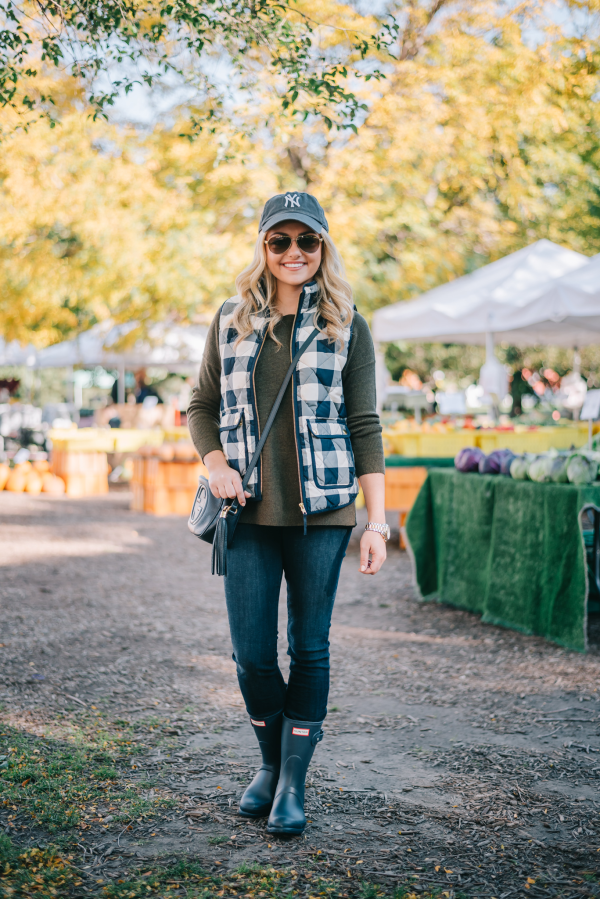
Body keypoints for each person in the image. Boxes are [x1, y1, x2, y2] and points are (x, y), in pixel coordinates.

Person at [187, 192, 388, 835]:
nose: (294, 253)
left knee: (309, 644)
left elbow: (365, 425)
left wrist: (376, 522)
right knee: (251, 655)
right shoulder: (230, 319)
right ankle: (270, 765)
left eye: (307, 241)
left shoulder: (347, 325)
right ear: (263, 248)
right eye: (281, 241)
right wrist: (216, 467)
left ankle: (293, 783)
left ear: (323, 248)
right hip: (243, 515)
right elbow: (200, 404)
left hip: (322, 515)